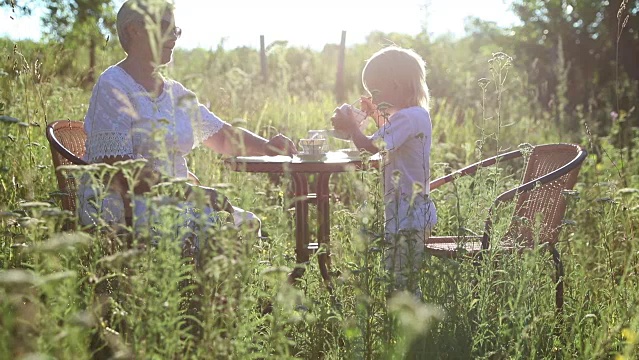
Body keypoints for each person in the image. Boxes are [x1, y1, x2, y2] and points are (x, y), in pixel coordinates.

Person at [78, 0, 297, 247]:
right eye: (165, 26)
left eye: (176, 30)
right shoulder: (113, 84)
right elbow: (116, 168)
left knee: (246, 222)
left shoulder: (174, 92)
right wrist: (189, 193)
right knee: (215, 226)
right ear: (133, 31)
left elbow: (223, 135)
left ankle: (223, 285)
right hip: (125, 207)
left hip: (175, 202)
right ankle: (203, 284)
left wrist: (268, 146)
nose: (173, 36)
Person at [331, 46, 437, 293]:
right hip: (411, 211)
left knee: (401, 282)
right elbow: (384, 138)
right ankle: (410, 323)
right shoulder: (414, 115)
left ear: (396, 86)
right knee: (402, 278)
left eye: (374, 91)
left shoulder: (407, 118)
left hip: (408, 215)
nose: (372, 98)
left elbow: (372, 149)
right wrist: (370, 118)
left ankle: (411, 326)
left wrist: (352, 127)